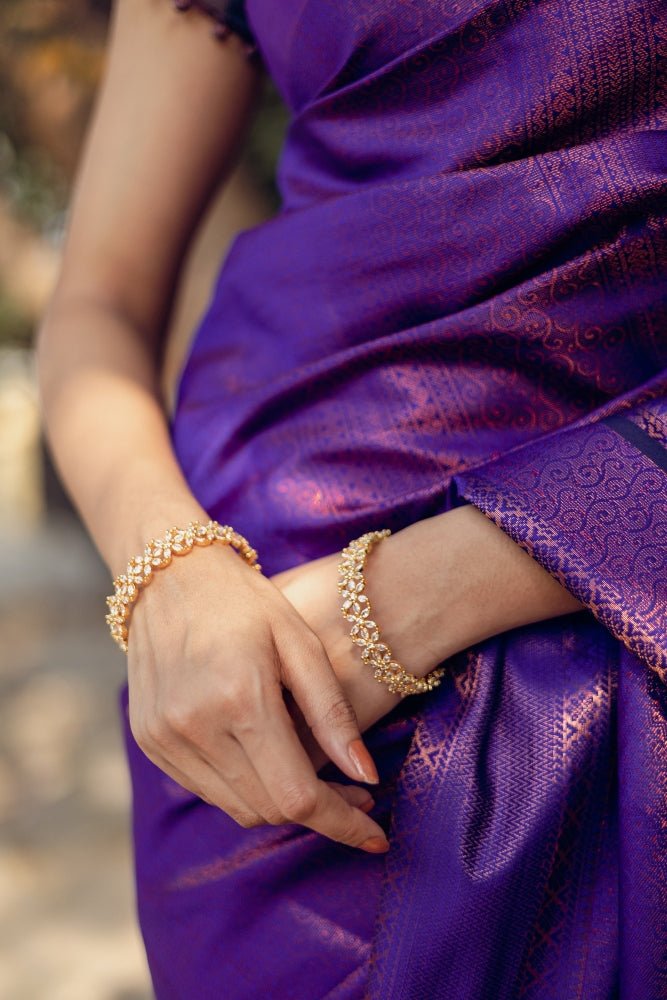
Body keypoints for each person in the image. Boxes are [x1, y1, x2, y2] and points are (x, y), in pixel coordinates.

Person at [35, 0, 666, 996]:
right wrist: (169, 572)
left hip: (607, 589)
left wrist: (409, 598)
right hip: (278, 681)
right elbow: (96, 303)